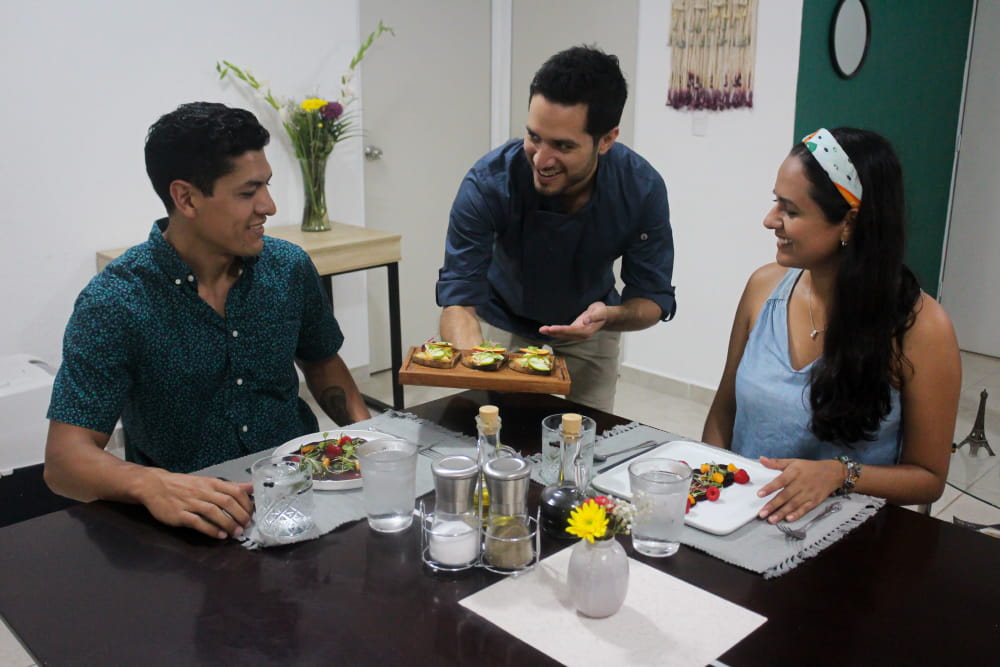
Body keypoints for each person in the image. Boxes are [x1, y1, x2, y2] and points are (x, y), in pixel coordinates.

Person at [44, 102, 371, 539]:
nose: (269, 206)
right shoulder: (116, 303)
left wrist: (372, 440)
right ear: (186, 198)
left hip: (297, 499)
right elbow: (65, 461)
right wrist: (148, 483)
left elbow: (322, 362)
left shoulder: (288, 268)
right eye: (247, 192)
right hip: (188, 524)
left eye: (267, 186)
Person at [702, 127, 960, 523]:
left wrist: (840, 474)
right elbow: (723, 413)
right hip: (742, 521)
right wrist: (711, 497)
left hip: (845, 542)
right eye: (776, 203)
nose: (770, 220)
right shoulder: (763, 288)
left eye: (790, 210)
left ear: (849, 224)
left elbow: (927, 478)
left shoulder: (922, 327)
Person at [436, 45, 676, 411]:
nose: (542, 159)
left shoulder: (640, 189)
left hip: (592, 327)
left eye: (563, 146)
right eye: (534, 137)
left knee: (588, 438)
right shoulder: (488, 183)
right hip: (503, 319)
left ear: (607, 139)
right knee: (494, 429)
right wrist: (479, 369)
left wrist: (608, 316)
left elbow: (653, 299)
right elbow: (459, 299)